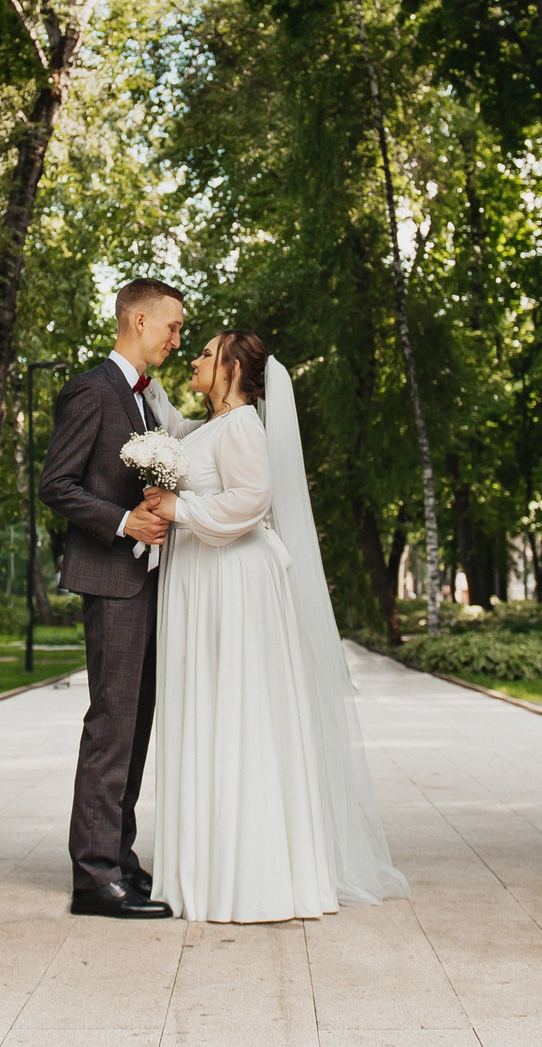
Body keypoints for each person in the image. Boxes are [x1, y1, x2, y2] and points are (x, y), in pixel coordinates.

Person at [139, 330, 407, 922]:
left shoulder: (241, 427)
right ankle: (207, 869)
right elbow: (181, 440)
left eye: (206, 353)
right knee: (207, 710)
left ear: (232, 367)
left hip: (231, 582)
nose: (195, 358)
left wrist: (177, 508)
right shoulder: (208, 427)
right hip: (201, 579)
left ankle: (250, 876)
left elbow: (251, 499)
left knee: (237, 712)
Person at [37, 278, 196, 919]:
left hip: (146, 583)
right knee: (111, 727)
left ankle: (119, 860)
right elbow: (57, 485)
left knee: (134, 728)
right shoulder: (91, 389)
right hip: (112, 582)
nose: (177, 339)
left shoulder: (145, 401)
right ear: (137, 319)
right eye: (172, 327)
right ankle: (93, 877)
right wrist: (124, 522)